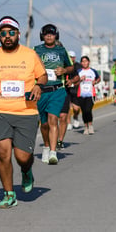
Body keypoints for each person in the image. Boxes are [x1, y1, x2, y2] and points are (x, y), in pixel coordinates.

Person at [0, 16, 47, 209]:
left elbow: (43, 75)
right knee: (2, 152)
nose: (7, 37)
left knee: (22, 157)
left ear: (18, 34)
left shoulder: (30, 55)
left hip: (26, 111)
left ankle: (26, 171)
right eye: (3, 33)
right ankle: (9, 194)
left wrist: (39, 86)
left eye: (11, 33)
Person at [35, 24, 73, 164]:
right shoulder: (36, 50)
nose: (49, 36)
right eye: (46, 34)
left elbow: (71, 67)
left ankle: (53, 152)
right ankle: (46, 146)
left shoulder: (61, 50)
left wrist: (63, 71)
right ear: (42, 36)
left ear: (56, 35)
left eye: (51, 33)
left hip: (57, 90)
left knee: (53, 119)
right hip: (42, 91)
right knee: (44, 124)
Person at [57, 49, 80, 150]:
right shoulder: (45, 62)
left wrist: (71, 80)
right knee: (50, 119)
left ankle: (60, 141)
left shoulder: (70, 65)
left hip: (66, 91)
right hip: (49, 93)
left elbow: (77, 77)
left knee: (64, 115)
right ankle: (49, 142)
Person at [77, 56, 101, 135]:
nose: (84, 63)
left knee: (88, 110)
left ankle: (90, 125)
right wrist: (80, 79)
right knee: (84, 111)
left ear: (89, 62)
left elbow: (99, 78)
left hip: (91, 94)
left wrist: (95, 82)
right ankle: (85, 127)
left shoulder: (92, 71)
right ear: (81, 63)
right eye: (83, 61)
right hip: (81, 94)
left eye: (86, 61)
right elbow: (75, 82)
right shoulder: (78, 71)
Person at [66, 51, 82, 131]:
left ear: (74, 58)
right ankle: (69, 123)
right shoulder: (65, 65)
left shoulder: (78, 66)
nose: (70, 58)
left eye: (71, 57)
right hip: (66, 89)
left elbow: (80, 77)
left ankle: (75, 117)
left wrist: (75, 83)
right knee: (67, 107)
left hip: (75, 88)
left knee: (76, 108)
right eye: (69, 56)